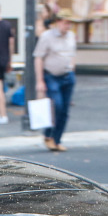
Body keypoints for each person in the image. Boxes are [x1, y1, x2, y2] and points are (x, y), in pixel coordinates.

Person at [33, 13, 77, 151]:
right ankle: (48, 134)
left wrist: (72, 69)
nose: (68, 26)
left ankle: (56, 140)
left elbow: (72, 54)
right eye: (65, 22)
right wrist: (39, 80)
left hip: (67, 75)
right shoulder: (47, 36)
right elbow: (38, 58)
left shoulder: (71, 36)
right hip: (52, 75)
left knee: (64, 110)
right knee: (56, 106)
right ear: (58, 22)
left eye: (69, 23)